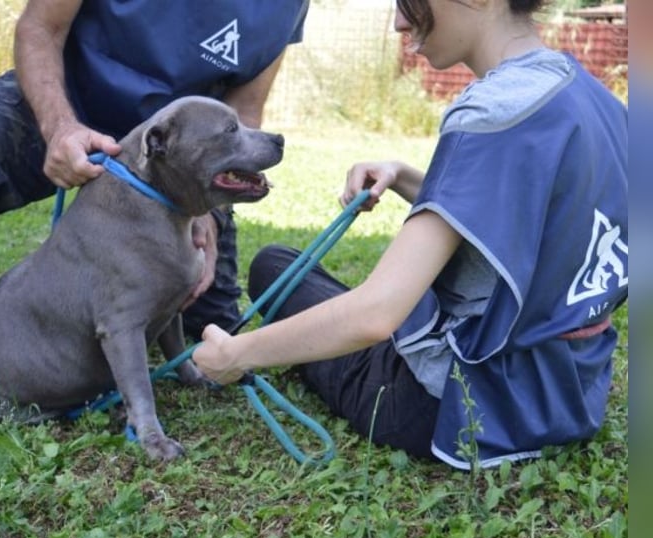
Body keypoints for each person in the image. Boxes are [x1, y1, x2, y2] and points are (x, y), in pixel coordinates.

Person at [194, 0, 628, 469]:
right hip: (569, 395)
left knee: (273, 267)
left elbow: (376, 314)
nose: (400, 20)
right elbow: (533, 215)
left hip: (461, 406)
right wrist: (403, 176)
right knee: (283, 265)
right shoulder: (595, 99)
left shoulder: (491, 112)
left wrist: (236, 354)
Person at [0, 0, 310, 444]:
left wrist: (206, 208)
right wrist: (59, 127)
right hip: (67, 97)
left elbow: (245, 110)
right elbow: (39, 28)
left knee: (210, 328)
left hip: (181, 149)